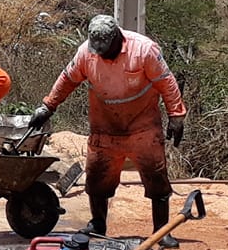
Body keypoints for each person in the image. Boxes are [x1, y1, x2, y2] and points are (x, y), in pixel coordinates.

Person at [28, 15, 186, 238]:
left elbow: (166, 81)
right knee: (97, 178)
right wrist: (48, 106)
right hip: (104, 127)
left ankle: (161, 231)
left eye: (106, 48)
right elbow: (68, 79)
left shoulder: (144, 50)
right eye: (97, 49)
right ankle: (98, 224)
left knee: (156, 177)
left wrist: (176, 116)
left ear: (117, 38)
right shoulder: (86, 53)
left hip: (142, 126)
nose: (101, 54)